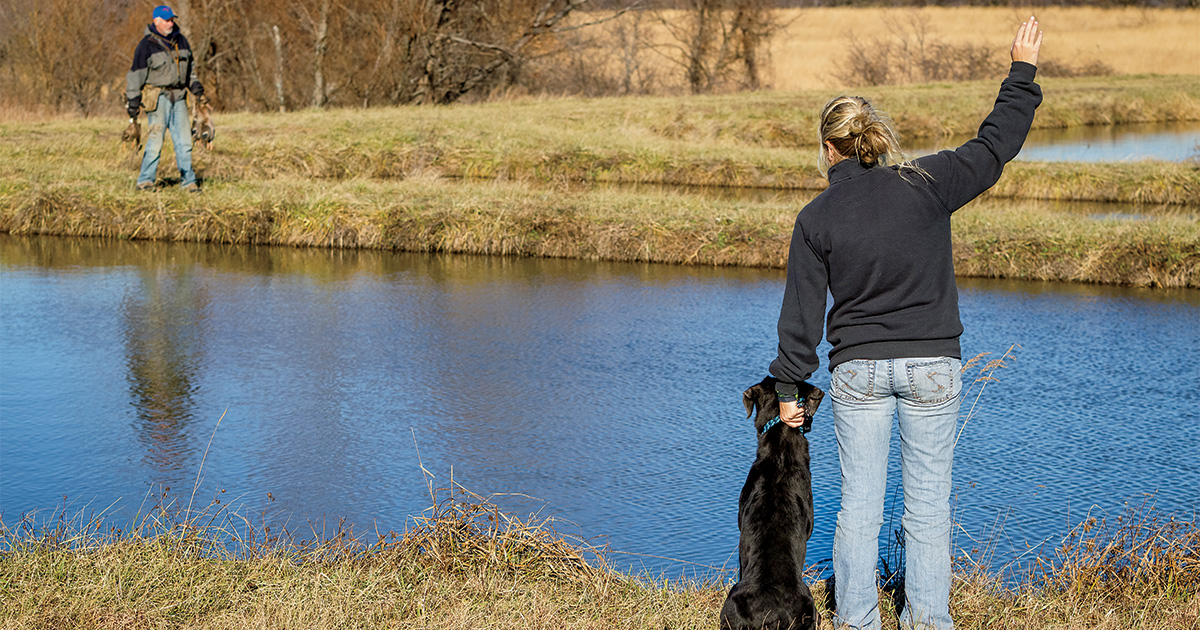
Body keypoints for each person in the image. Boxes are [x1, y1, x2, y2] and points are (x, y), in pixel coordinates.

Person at [768, 18, 1044, 630]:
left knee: (858, 511)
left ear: (828, 149)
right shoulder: (928, 182)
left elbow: (801, 318)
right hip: (932, 370)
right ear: (876, 140)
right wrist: (1021, 70)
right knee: (926, 509)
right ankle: (928, 622)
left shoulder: (816, 216)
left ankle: (859, 621)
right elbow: (997, 144)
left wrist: (789, 391)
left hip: (857, 371)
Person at [126, 5, 208, 193]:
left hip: (179, 97)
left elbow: (191, 71)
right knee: (155, 140)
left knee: (185, 142)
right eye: (167, 20)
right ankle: (145, 181)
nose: (171, 23)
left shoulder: (182, 42)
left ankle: (189, 182)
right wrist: (133, 101)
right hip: (158, 97)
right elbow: (135, 76)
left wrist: (196, 88)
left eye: (172, 19)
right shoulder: (146, 45)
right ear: (156, 21)